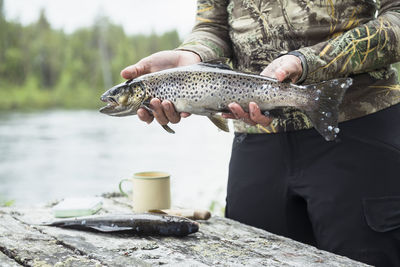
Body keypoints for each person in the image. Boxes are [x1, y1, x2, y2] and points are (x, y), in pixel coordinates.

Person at [121, 1, 400, 266]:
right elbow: (213, 26)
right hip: (256, 139)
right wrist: (193, 56)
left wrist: (308, 61)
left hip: (359, 127)